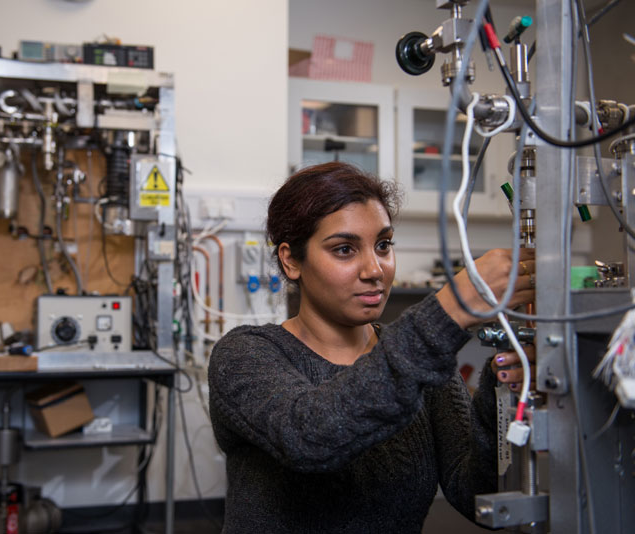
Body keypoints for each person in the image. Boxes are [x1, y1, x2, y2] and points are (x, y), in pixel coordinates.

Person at [208, 162, 535, 533]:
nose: (375, 269)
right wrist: (452, 307)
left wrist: (500, 384)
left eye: (383, 245)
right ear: (291, 260)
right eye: (345, 249)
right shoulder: (245, 355)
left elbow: (475, 492)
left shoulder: (421, 364)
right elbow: (310, 436)